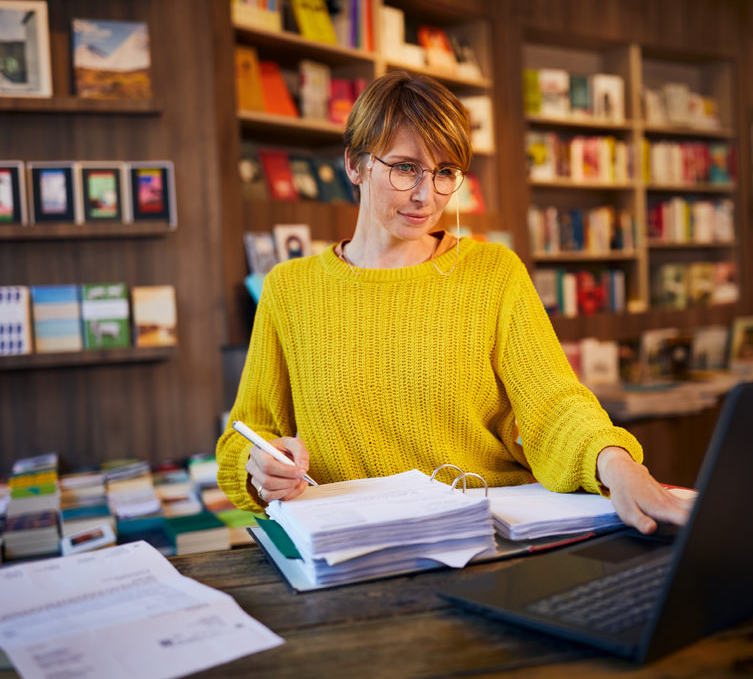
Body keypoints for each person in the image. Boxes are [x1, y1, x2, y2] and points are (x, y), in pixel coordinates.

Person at [216, 71, 691, 533]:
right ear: (355, 165)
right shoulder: (290, 288)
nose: (427, 195)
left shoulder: (493, 272)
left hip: (485, 537)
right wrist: (260, 467)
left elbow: (555, 405)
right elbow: (245, 435)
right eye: (405, 168)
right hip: (353, 550)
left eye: (445, 172)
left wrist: (617, 464)